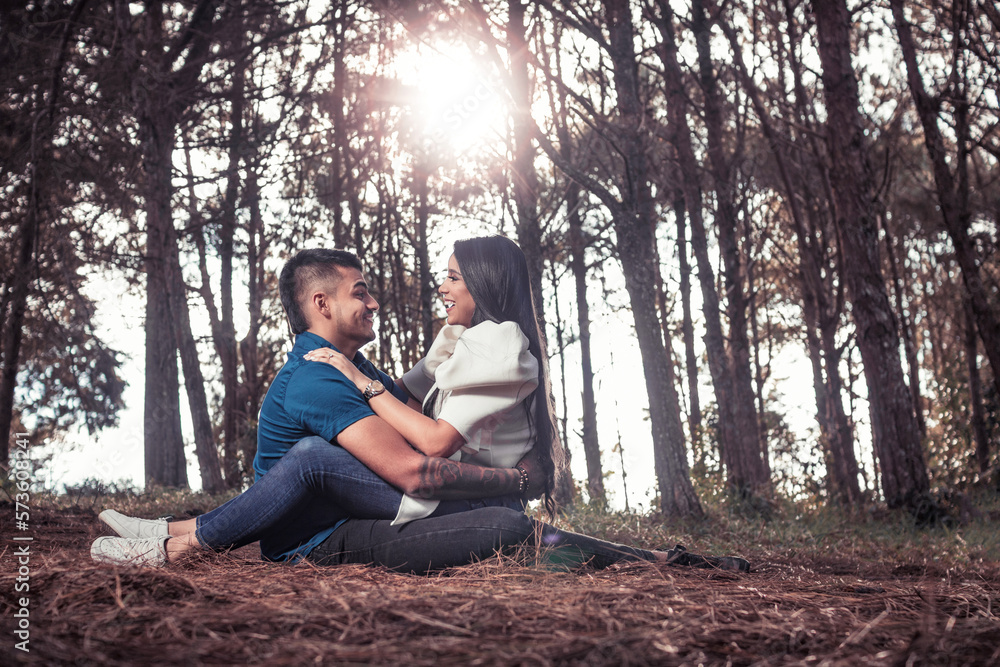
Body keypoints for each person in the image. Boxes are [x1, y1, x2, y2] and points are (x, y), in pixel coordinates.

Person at [92, 240, 749, 573]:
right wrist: (514, 480)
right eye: (360, 292)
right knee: (510, 527)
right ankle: (179, 543)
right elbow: (412, 471)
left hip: (364, 508)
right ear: (321, 305)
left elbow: (409, 393)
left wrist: (450, 342)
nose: (374, 302)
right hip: (326, 541)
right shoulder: (320, 377)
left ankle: (662, 562)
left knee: (505, 513)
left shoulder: (355, 367)